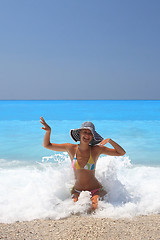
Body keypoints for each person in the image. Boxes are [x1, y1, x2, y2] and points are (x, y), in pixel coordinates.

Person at [40, 116, 126, 211]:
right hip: (77, 190)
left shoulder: (96, 150)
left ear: (93, 136)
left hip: (95, 189)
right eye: (85, 132)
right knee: (74, 209)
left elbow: (121, 153)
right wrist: (48, 131)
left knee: (94, 208)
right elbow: (47, 145)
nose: (87, 135)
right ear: (79, 133)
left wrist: (110, 141)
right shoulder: (71, 148)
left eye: (90, 133)